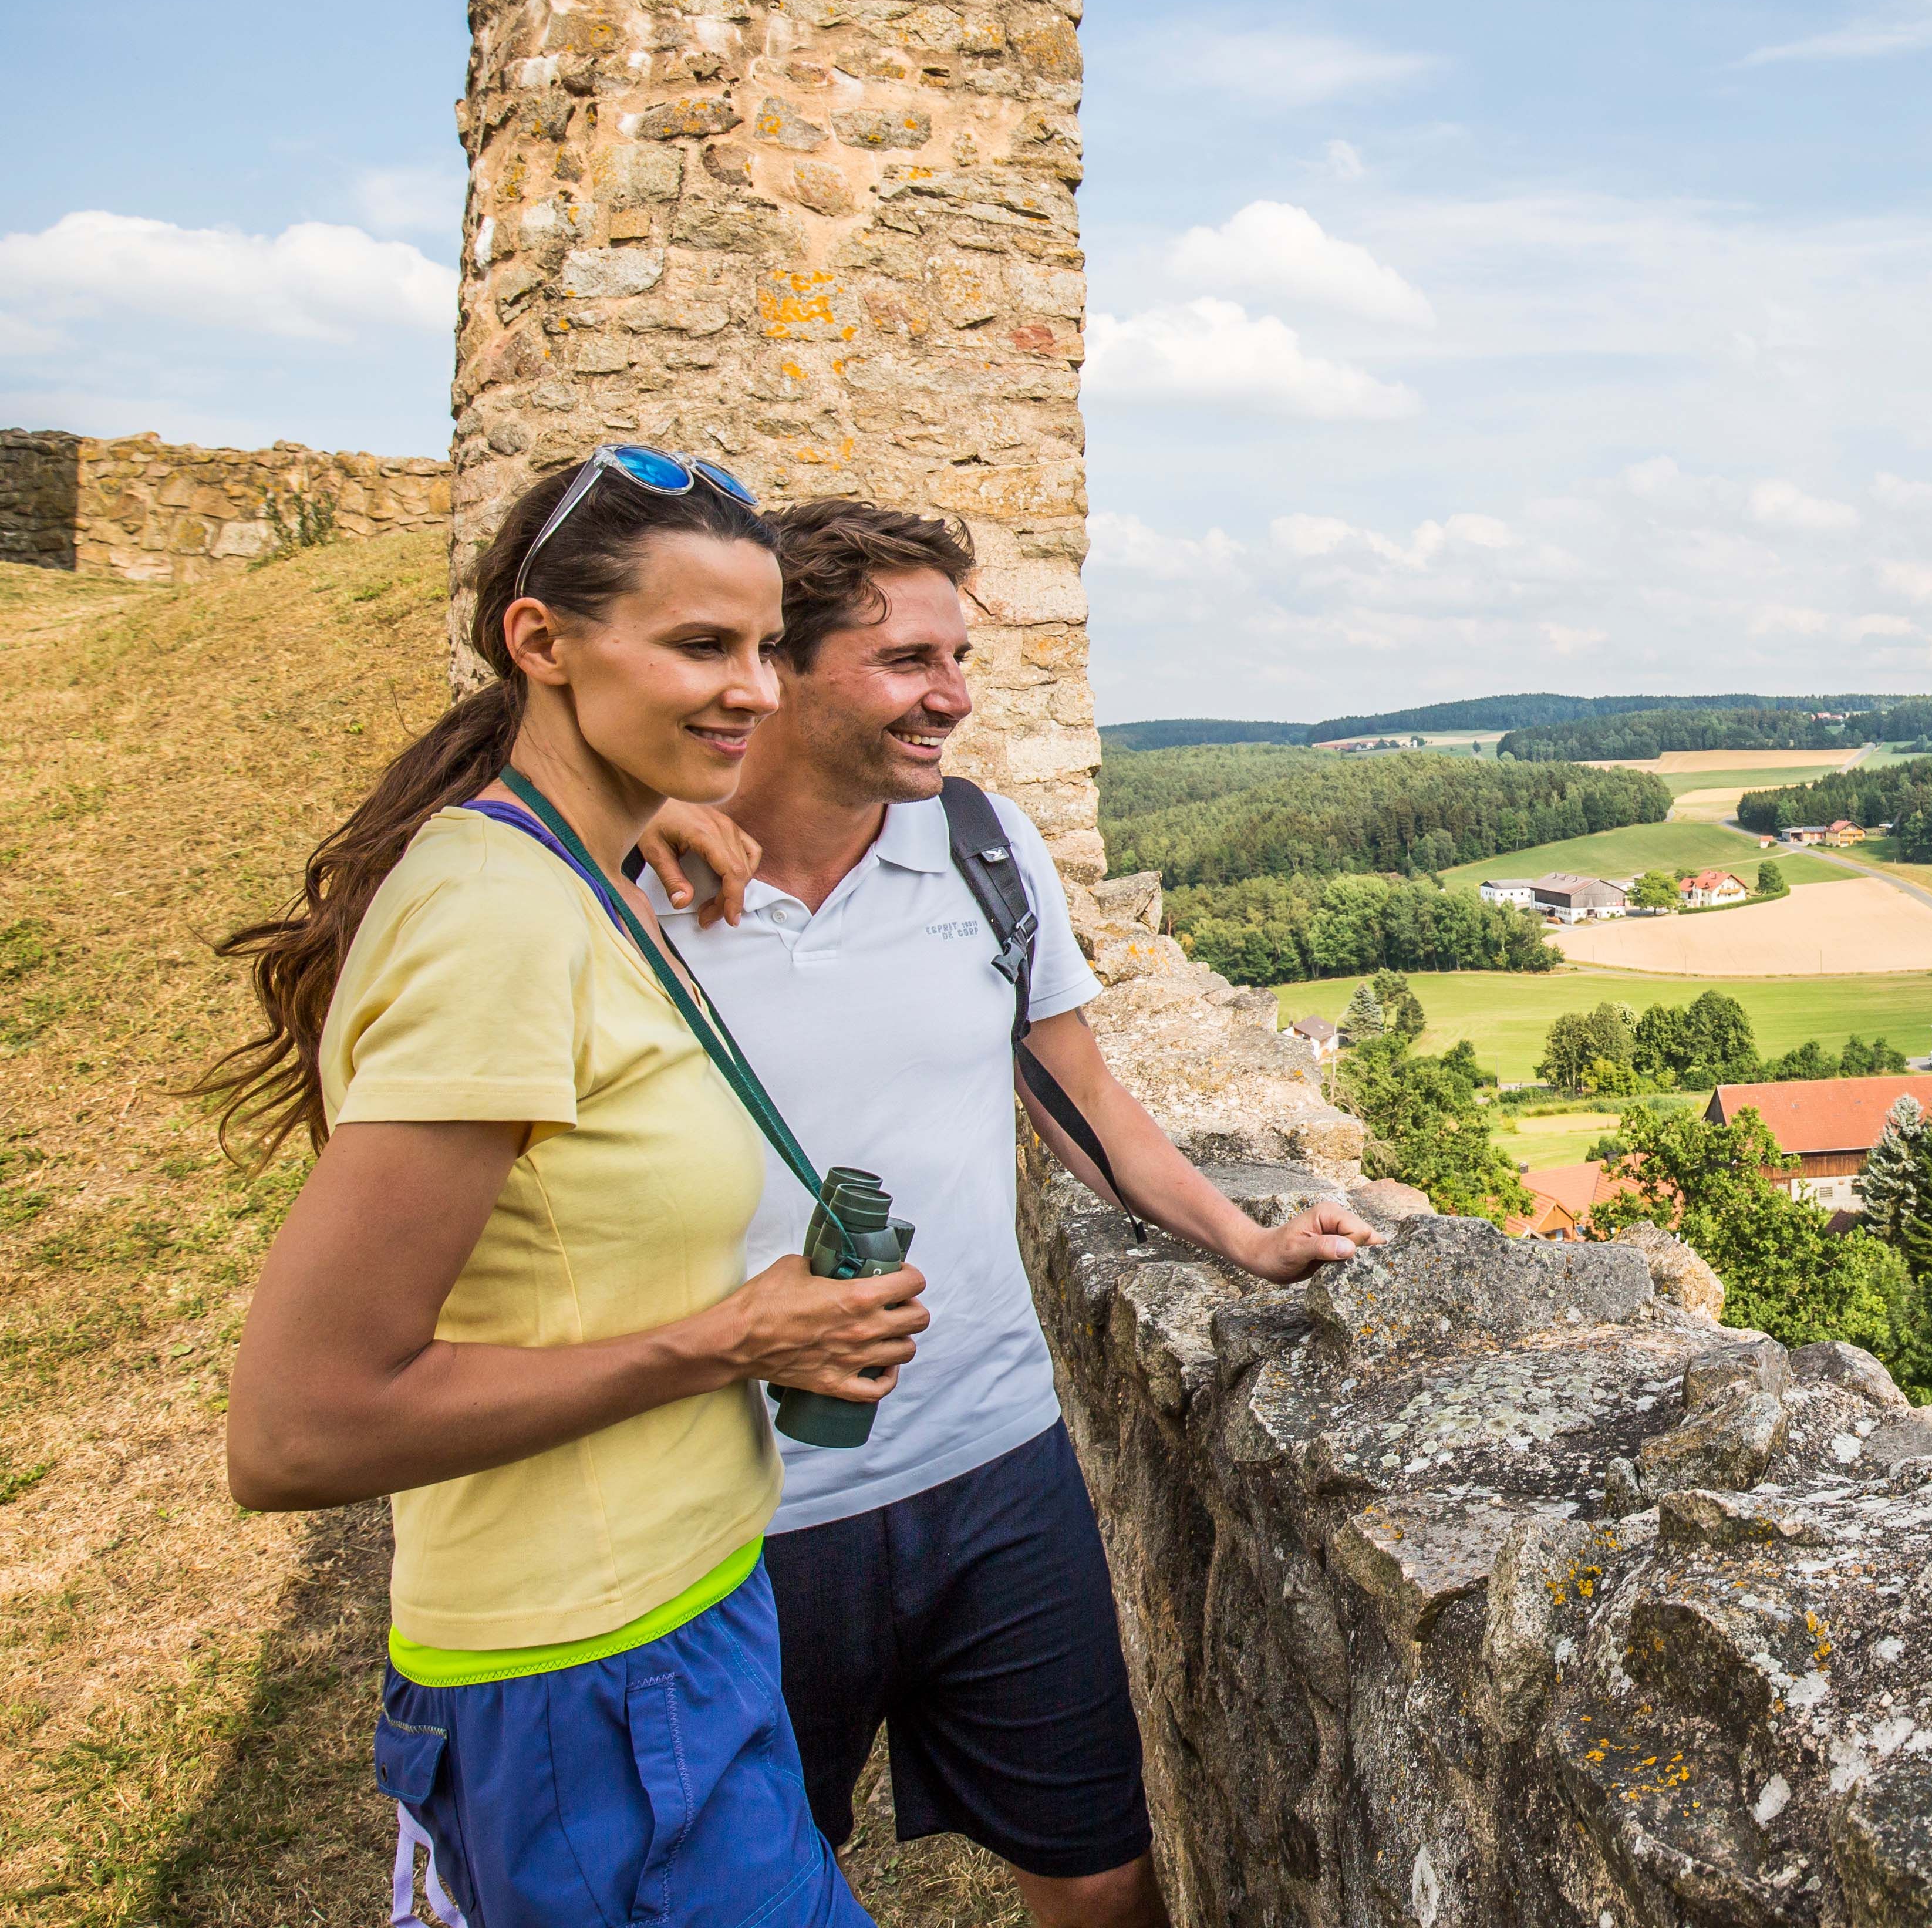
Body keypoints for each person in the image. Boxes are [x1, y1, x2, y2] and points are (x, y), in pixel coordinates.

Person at [633, 500, 1374, 1928]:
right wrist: (619, 804)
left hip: (993, 1466)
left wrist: (1245, 1239)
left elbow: (1075, 1091)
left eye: (960, 657)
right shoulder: (624, 880)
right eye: (908, 660)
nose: (956, 697)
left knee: (1101, 1879)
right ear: (773, 667)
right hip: (734, 1510)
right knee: (741, 1896)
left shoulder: (981, 844)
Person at [215, 448, 928, 1926]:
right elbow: (297, 1429)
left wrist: (635, 820)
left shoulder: (564, 876)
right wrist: (730, 1341)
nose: (754, 690)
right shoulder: (497, 923)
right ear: (541, 642)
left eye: (764, 647)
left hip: (675, 1623)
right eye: (700, 645)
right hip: (588, 1677)